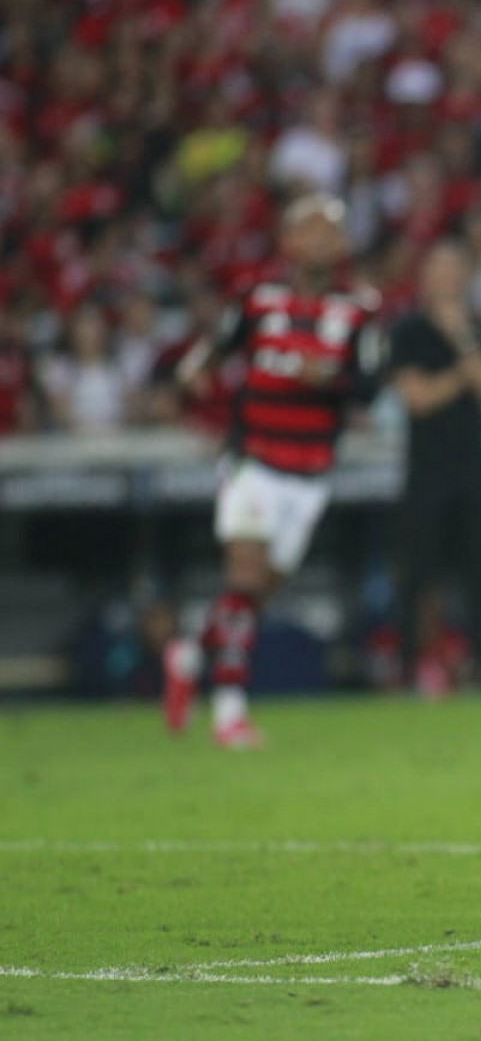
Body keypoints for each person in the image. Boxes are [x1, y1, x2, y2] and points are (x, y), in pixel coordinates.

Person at [163, 194, 384, 747]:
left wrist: (328, 378)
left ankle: (188, 654)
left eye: (330, 230)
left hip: (309, 471)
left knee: (257, 592)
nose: (320, 239)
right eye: (308, 229)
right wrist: (193, 382)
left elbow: (370, 387)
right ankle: (229, 713)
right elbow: (208, 355)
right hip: (253, 459)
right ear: (287, 242)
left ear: (341, 245)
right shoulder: (257, 299)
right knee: (243, 576)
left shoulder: (360, 309)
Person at [388, 239, 481, 687]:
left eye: (453, 269)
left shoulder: (474, 328)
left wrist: (461, 339)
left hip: (472, 464)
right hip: (426, 467)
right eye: (437, 269)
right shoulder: (408, 332)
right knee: (416, 573)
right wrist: (464, 372)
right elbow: (418, 398)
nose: (446, 279)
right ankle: (404, 670)